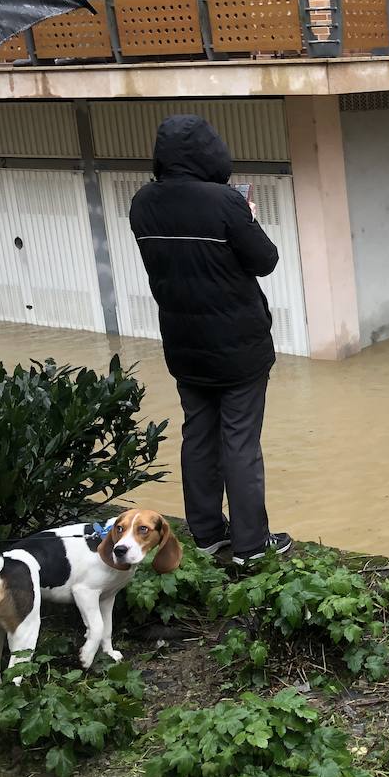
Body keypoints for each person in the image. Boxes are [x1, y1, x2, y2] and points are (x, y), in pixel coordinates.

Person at [129, 115, 292, 565]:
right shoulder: (225, 203)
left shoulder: (143, 203)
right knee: (240, 443)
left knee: (197, 437)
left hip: (183, 343)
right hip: (238, 346)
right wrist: (249, 218)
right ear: (210, 152)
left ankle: (204, 535)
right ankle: (251, 546)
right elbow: (265, 260)